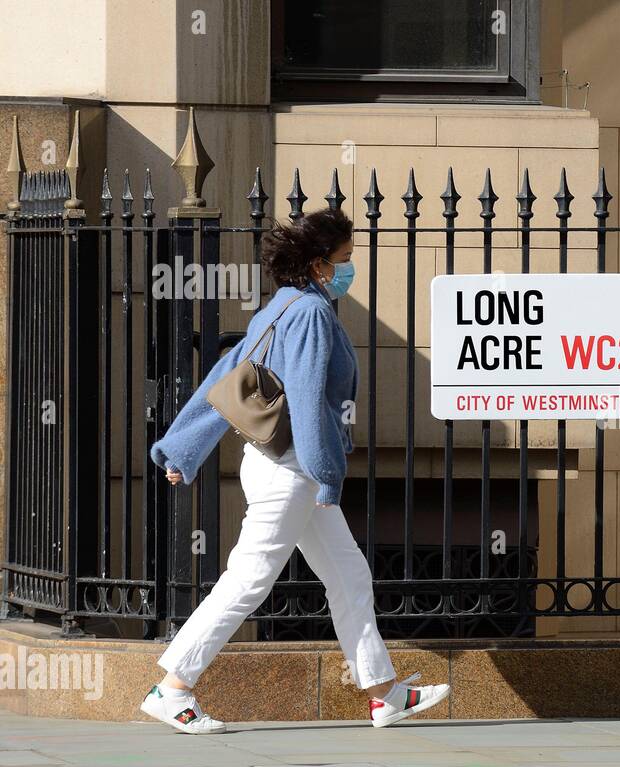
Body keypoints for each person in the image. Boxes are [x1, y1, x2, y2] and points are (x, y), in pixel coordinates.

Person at [140, 208, 449, 734]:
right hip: (294, 470)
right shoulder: (308, 313)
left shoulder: (278, 308)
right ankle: (172, 689)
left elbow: (222, 377)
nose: (350, 269)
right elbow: (306, 401)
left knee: (348, 574)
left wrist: (182, 448)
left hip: (282, 466)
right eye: (345, 260)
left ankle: (383, 693)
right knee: (248, 580)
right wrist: (328, 472)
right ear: (317, 265)